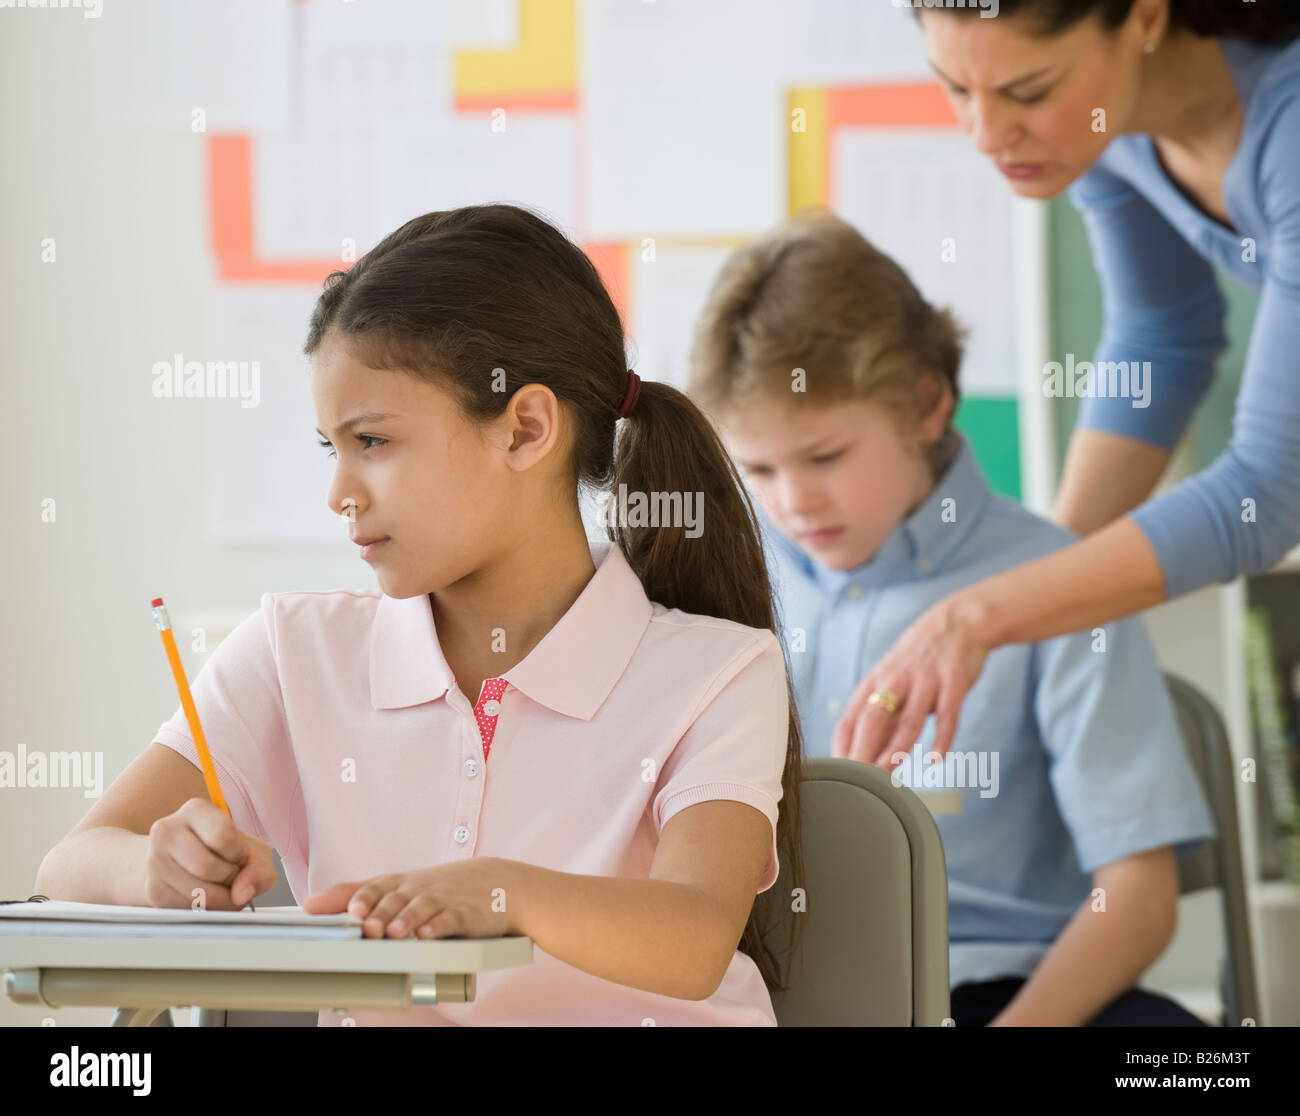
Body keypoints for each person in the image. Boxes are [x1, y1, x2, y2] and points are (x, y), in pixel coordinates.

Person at [35, 203, 806, 1027]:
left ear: (526, 429)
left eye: (374, 442)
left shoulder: (719, 671)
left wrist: (502, 892)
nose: (339, 493)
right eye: (332, 448)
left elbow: (692, 937)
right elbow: (69, 863)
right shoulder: (297, 651)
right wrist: (151, 870)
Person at [688, 209, 1215, 1026]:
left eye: (826, 456)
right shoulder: (720, 585)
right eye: (759, 467)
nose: (795, 503)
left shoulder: (1054, 588)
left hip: (1010, 997)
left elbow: (1139, 904)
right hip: (776, 995)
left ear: (926, 407)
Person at [840, 0, 1300, 767]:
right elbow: (1163, 337)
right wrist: (1042, 580)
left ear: (1146, 16)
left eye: (1027, 91)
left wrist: (985, 614)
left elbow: (1268, 492)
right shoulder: (1107, 128)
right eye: (956, 88)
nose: (986, 134)